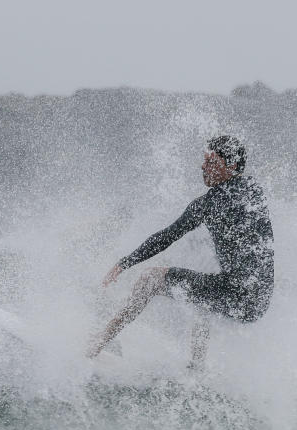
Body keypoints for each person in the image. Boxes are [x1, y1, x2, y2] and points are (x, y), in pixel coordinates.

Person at [87, 135, 274, 366]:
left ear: (232, 165)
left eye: (210, 161)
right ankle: (196, 369)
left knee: (150, 279)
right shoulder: (254, 191)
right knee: (202, 294)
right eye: (204, 161)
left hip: (237, 293)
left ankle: (96, 344)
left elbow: (168, 236)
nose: (203, 166)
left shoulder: (212, 202)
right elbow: (172, 235)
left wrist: (125, 263)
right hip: (258, 301)